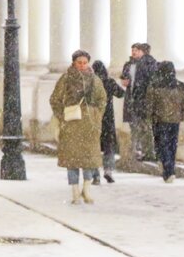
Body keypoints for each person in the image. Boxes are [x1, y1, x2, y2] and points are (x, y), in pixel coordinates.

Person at [50, 50, 108, 205]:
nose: (82, 65)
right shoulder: (66, 78)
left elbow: (102, 99)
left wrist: (96, 115)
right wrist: (62, 115)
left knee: (89, 159)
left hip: (90, 126)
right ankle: (75, 191)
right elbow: (55, 99)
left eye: (84, 62)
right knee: (72, 160)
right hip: (71, 124)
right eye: (79, 62)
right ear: (74, 63)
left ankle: (86, 190)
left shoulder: (95, 80)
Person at [146, 61, 184, 183]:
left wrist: (150, 117)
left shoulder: (155, 85)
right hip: (175, 121)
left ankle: (169, 170)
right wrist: (181, 116)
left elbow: (150, 105)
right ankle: (169, 170)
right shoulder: (180, 86)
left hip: (160, 120)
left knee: (162, 145)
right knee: (172, 145)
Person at [121, 43, 158, 161]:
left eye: (136, 50)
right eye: (132, 50)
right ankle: (136, 151)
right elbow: (125, 77)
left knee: (145, 127)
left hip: (142, 100)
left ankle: (147, 152)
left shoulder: (147, 64)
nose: (134, 52)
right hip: (131, 98)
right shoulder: (129, 64)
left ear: (142, 51)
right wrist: (124, 80)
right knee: (134, 126)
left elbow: (147, 81)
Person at [91, 61, 124, 184]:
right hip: (108, 119)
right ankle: (108, 170)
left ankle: (95, 175)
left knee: (93, 147)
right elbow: (121, 94)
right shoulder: (109, 82)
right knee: (109, 147)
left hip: (94, 118)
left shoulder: (91, 83)